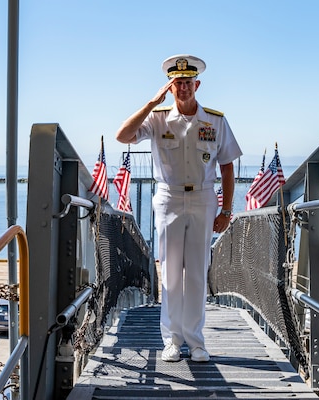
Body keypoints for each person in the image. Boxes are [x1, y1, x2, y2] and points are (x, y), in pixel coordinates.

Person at [115, 54, 242, 362]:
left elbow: (226, 167)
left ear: (197, 85)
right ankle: (172, 340)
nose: (183, 88)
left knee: (197, 271)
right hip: (169, 198)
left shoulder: (215, 120)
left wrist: (226, 211)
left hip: (203, 197)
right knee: (171, 273)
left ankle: (196, 342)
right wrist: (149, 103)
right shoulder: (157, 118)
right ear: (170, 88)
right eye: (177, 84)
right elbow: (122, 136)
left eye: (188, 83)